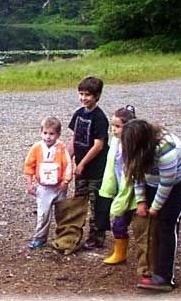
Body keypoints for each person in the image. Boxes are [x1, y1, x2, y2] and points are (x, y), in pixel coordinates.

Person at [121, 119, 181, 292]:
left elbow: (166, 184)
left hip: (178, 183)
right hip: (152, 182)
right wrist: (140, 200)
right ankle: (150, 266)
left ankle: (165, 278)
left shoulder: (167, 149)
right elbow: (136, 172)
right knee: (149, 225)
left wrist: (155, 207)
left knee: (168, 225)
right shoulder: (133, 147)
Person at [67, 76, 110, 249]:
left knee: (96, 203)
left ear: (97, 96)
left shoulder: (100, 118)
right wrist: (66, 159)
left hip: (96, 170)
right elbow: (74, 138)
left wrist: (82, 163)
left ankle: (97, 236)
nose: (84, 98)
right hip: (81, 169)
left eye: (88, 95)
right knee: (79, 199)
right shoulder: (79, 114)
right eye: (81, 94)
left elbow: (98, 145)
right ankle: (74, 232)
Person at [24, 116, 73, 249]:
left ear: (58, 134)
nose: (48, 137)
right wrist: (29, 183)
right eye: (45, 133)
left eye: (51, 134)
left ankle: (63, 238)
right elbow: (29, 165)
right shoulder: (36, 148)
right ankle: (40, 237)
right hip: (43, 188)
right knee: (43, 213)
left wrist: (66, 180)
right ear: (41, 132)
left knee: (62, 213)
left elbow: (68, 164)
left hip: (59, 187)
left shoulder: (61, 148)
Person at [98, 105, 139, 264]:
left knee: (140, 226)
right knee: (118, 224)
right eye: (112, 126)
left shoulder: (134, 146)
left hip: (135, 192)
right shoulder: (115, 143)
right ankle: (120, 252)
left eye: (118, 126)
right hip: (121, 191)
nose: (114, 130)